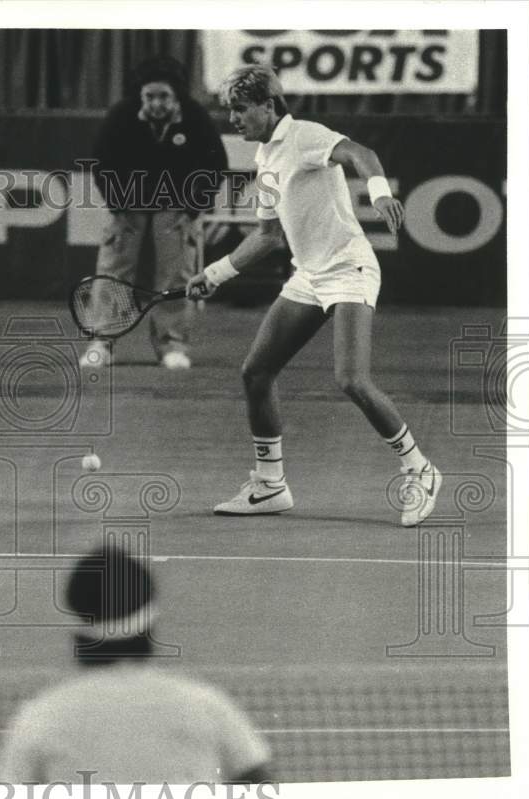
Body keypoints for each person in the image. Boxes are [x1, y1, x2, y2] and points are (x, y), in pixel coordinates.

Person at [186, 65, 441, 527]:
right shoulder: (265, 157)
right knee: (257, 371)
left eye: (240, 109)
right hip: (308, 276)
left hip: (349, 268)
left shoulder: (304, 135)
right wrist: (215, 273)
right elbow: (267, 236)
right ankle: (270, 485)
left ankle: (420, 469)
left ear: (268, 105)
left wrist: (379, 194)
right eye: (230, 110)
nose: (233, 118)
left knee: (352, 380)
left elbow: (361, 153)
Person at [0, 543, 272, 784]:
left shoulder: (42, 717)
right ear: (150, 629)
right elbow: (259, 783)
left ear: (77, 636)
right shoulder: (206, 706)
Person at [81, 56, 228, 371]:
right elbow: (101, 163)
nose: (157, 103)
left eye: (164, 96)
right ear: (141, 95)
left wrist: (193, 208)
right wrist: (117, 205)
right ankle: (102, 343)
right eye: (150, 96)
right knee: (112, 273)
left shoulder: (195, 117)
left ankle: (172, 345)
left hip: (176, 207)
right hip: (128, 206)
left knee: (176, 277)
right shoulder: (121, 116)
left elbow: (216, 165)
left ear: (176, 97)